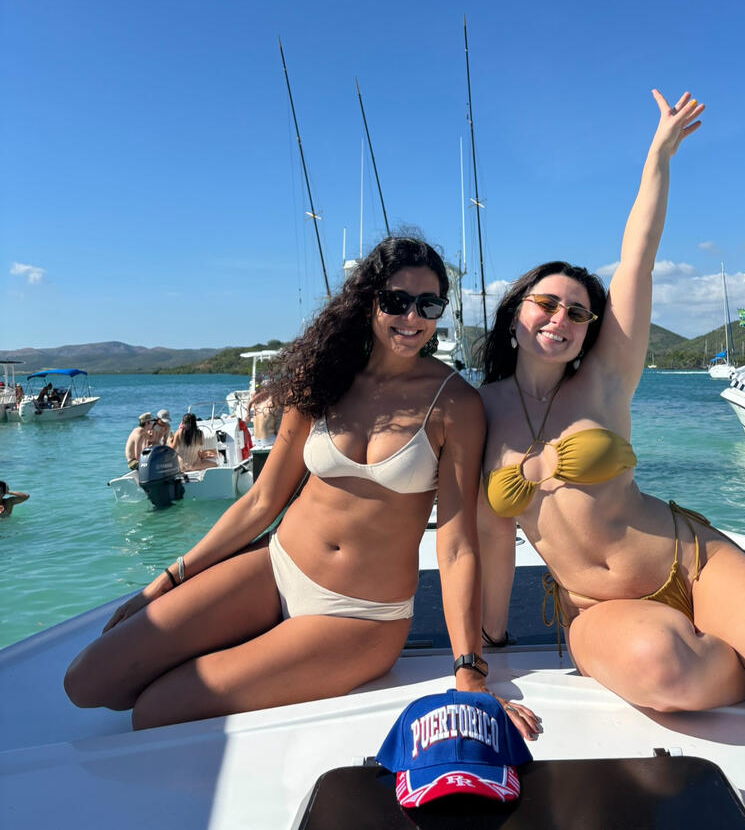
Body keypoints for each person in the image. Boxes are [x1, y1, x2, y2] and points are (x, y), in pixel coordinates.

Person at [477, 89, 745, 735]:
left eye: (578, 312)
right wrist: (486, 650)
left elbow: (637, 257)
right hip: (598, 608)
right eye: (546, 304)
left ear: (590, 330)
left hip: (692, 561)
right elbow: (487, 539)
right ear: (515, 314)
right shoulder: (477, 410)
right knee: (663, 664)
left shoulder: (606, 380)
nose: (561, 318)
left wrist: (659, 154)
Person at [64, 237, 540, 738]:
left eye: (429, 305)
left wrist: (469, 671)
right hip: (278, 567)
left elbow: (457, 544)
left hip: (361, 616)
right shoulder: (323, 379)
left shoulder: (455, 404)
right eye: (397, 300)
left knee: (156, 710)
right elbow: (261, 501)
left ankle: (261, 651)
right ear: (370, 300)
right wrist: (168, 579)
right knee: (88, 682)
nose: (412, 317)